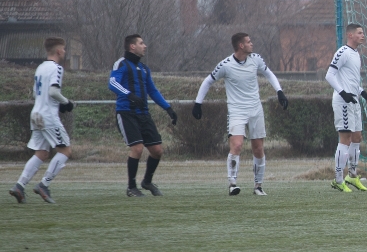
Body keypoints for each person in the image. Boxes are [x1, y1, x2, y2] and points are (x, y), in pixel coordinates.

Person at [192, 32, 288, 196]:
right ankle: (232, 184)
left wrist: (279, 91)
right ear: (241, 46)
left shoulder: (255, 59)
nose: (252, 44)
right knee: (236, 145)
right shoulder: (226, 65)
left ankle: (258, 186)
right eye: (249, 42)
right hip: (236, 110)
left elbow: (268, 73)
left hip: (255, 109)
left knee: (258, 148)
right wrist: (198, 103)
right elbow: (208, 81)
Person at [108, 34, 178, 197]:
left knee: (157, 151)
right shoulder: (122, 64)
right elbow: (112, 83)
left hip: (143, 115)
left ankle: (146, 181)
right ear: (132, 46)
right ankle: (131, 187)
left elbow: (152, 91)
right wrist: (129, 95)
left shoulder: (145, 69)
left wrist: (168, 108)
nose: (144, 46)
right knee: (137, 148)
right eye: (141, 43)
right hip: (126, 113)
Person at [9, 38, 74, 204]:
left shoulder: (40, 68)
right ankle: (44, 185)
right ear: (59, 51)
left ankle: (20, 186)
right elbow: (53, 91)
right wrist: (66, 102)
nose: (65, 52)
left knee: (42, 153)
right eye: (64, 49)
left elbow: (35, 93)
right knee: (65, 150)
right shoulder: (57, 68)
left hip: (36, 113)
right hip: (48, 116)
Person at [325, 23, 367, 193]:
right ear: (351, 35)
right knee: (345, 139)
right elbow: (329, 75)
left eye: (363, 32)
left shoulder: (356, 54)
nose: (363, 35)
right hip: (343, 101)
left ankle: (352, 176)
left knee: (357, 137)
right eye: (360, 33)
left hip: (353, 101)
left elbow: (351, 81)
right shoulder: (343, 52)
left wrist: (364, 93)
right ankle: (338, 179)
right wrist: (343, 93)